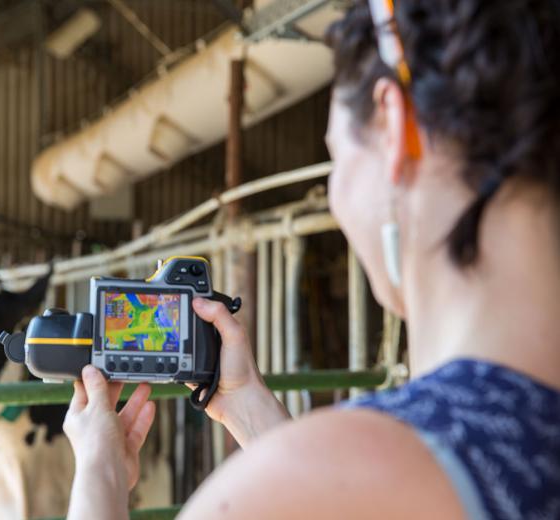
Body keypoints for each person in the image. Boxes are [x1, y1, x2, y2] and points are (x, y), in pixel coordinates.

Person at [61, 0, 560, 518]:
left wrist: (101, 471)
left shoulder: (303, 485)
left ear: (393, 126)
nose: (335, 192)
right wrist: (249, 406)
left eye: (337, 159)